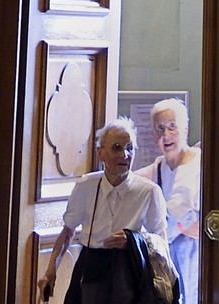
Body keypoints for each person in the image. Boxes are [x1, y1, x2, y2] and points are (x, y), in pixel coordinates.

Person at [41, 120, 166, 304]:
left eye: (130, 148)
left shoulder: (148, 191)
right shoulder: (85, 186)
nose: (125, 154)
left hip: (129, 270)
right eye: (117, 148)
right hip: (91, 265)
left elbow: (161, 240)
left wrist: (132, 240)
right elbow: (67, 232)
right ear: (101, 153)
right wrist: (51, 270)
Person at [148, 97, 201, 304]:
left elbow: (202, 224)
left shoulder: (201, 163)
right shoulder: (158, 168)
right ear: (153, 136)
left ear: (185, 130)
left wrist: (179, 224)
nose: (166, 135)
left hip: (195, 256)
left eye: (172, 127)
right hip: (166, 257)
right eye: (160, 129)